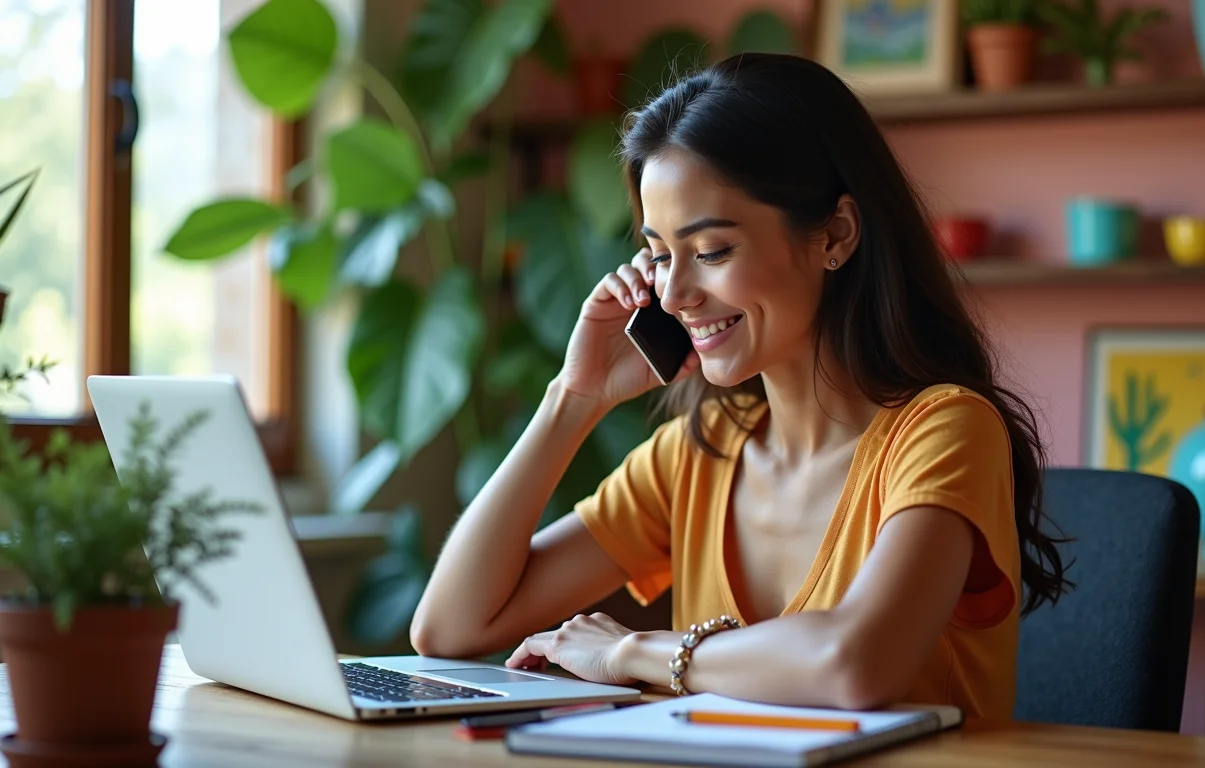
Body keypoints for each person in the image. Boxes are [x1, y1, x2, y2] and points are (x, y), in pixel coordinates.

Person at [410, 52, 1071, 719]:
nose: (674, 295)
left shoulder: (944, 430)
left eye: (711, 252)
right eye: (660, 257)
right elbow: (451, 629)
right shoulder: (697, 454)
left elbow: (855, 663)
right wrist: (572, 398)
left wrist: (634, 654)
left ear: (835, 235)